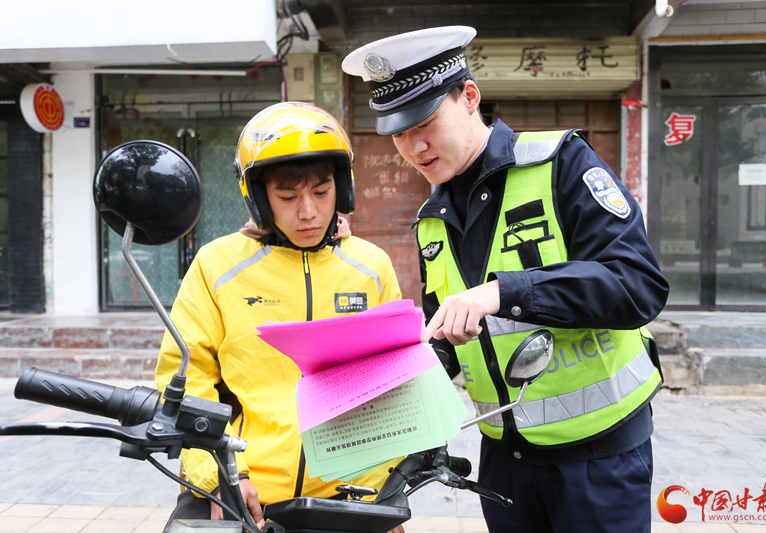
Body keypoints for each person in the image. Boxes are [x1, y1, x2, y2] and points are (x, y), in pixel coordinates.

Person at [342, 26, 669, 533]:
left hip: (599, 457)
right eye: (399, 133)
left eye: (425, 123)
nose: (414, 146)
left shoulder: (561, 162)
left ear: (470, 96)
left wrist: (504, 291)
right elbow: (446, 331)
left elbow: (637, 283)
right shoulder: (431, 221)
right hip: (504, 462)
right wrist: (388, 381)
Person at [155, 102, 403, 531]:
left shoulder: (371, 266)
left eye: (321, 193)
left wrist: (383, 495)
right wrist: (220, 475)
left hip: (348, 495)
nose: (308, 212)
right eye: (288, 197)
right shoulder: (217, 266)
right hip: (241, 490)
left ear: (343, 188)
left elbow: (393, 383)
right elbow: (186, 377)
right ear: (258, 198)